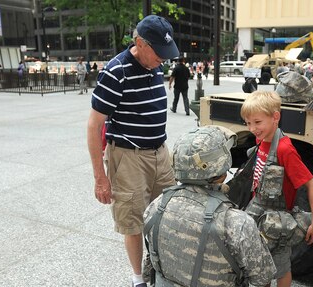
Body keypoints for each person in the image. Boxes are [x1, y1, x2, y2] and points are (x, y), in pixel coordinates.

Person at [87, 15, 179, 287]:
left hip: (160, 152)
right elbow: (94, 127)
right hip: (128, 157)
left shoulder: (155, 64)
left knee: (167, 213)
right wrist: (100, 178)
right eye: (159, 53)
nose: (163, 59)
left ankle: (161, 268)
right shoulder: (116, 72)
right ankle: (138, 279)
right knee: (133, 221)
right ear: (140, 43)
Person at [143, 125, 277, 287]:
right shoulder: (236, 223)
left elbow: (151, 265)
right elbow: (263, 280)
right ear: (222, 170)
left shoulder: (157, 207)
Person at [240, 91, 313, 287]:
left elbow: (310, 184)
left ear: (275, 117)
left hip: (277, 224)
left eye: (257, 122)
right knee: (261, 267)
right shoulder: (262, 140)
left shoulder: (285, 149)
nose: (252, 128)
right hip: (257, 215)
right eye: (248, 123)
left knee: (281, 268)